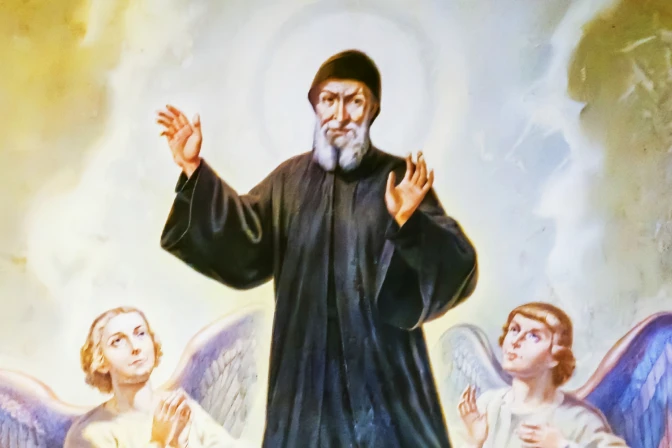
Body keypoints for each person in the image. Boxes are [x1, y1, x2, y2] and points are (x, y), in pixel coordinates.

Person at [157, 49, 479, 447]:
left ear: (372, 110)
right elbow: (245, 242)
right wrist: (194, 169)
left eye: (354, 101)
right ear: (316, 106)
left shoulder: (399, 179)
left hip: (382, 374)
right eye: (329, 100)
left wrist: (409, 223)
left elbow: (457, 264)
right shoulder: (288, 181)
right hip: (304, 378)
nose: (339, 115)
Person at [457, 302, 630, 448]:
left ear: (555, 357)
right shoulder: (488, 406)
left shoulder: (581, 419)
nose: (516, 341)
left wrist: (561, 446)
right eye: (514, 329)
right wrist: (474, 442)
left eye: (533, 336)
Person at [64, 306, 239, 448]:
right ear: (100, 361)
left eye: (140, 333)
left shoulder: (178, 406)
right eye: (118, 341)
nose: (135, 347)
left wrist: (181, 445)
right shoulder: (90, 432)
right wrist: (159, 440)